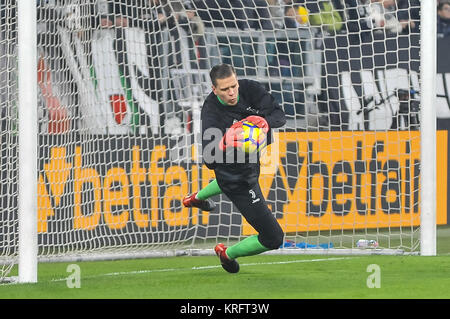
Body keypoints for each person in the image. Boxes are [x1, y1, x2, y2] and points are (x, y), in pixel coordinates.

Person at [183, 64, 286, 273]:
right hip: (236, 179)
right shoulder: (212, 112)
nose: (231, 93)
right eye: (224, 89)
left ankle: (195, 198)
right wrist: (225, 141)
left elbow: (279, 115)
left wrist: (264, 122)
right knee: (273, 237)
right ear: (214, 89)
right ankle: (227, 254)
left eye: (233, 86)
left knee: (227, 181)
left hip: (250, 162)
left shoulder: (250, 89)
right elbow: (210, 160)